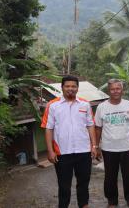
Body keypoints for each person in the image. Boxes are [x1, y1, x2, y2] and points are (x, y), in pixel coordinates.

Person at [41, 75, 98, 208]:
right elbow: (48, 129)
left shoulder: (85, 104)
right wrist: (50, 151)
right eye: (67, 86)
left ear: (77, 88)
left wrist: (94, 146)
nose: (70, 89)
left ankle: (84, 205)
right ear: (62, 88)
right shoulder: (52, 105)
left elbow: (91, 125)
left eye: (73, 86)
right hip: (62, 152)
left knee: (83, 183)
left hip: (84, 151)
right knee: (64, 185)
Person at [95, 79, 129, 207]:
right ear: (108, 91)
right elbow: (98, 128)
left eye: (118, 88)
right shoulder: (101, 107)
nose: (115, 91)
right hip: (109, 148)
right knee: (110, 177)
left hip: (127, 146)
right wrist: (96, 146)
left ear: (122, 90)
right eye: (112, 89)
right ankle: (112, 201)